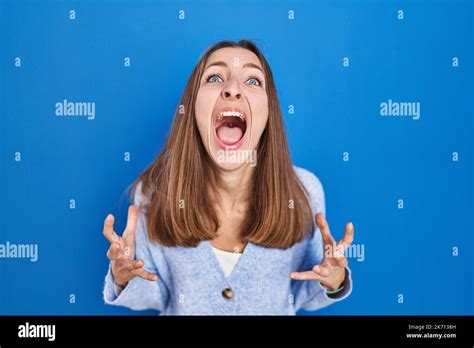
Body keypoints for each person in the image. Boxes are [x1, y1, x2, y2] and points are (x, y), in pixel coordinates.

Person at [102, 39, 355, 315]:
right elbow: (157, 294)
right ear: (192, 109)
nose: (233, 88)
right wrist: (123, 276)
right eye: (214, 77)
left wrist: (334, 280)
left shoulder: (304, 191)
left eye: (253, 81)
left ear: (269, 113)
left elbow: (305, 292)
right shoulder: (153, 194)